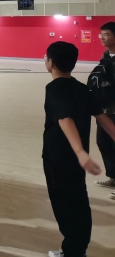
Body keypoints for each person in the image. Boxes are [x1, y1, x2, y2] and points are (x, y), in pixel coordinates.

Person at [42, 41, 115, 257]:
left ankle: (72, 251)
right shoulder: (81, 88)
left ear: (51, 63)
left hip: (58, 157)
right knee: (78, 201)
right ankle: (77, 249)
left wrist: (81, 153)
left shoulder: (54, 88)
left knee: (63, 204)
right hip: (76, 160)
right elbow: (102, 117)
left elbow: (65, 118)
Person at [92, 22, 115, 192]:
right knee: (103, 142)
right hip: (105, 110)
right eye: (101, 34)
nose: (102, 38)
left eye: (106, 34)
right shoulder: (106, 56)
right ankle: (113, 177)